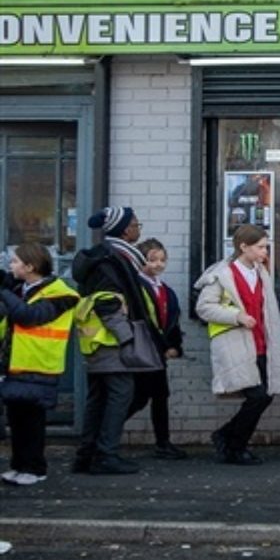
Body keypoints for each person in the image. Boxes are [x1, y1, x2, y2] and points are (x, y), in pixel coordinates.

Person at [73, 205, 163, 476]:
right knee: (119, 397)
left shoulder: (103, 258)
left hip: (98, 345)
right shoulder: (114, 262)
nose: (138, 229)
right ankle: (106, 455)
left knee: (98, 399)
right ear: (125, 230)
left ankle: (86, 456)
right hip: (112, 345)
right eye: (136, 225)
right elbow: (108, 305)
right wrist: (128, 340)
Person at [195, 224, 280, 466]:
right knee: (257, 396)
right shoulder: (223, 274)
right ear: (243, 247)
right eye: (260, 247)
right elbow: (204, 307)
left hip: (260, 342)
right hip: (237, 344)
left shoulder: (260, 271)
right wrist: (236, 316)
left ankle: (228, 438)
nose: (265, 252)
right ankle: (234, 444)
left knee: (265, 395)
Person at [1, 242, 80, 485]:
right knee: (17, 419)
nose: (10, 265)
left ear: (30, 266)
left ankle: (35, 468)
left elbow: (30, 316)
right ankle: (19, 465)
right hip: (16, 364)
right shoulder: (19, 289)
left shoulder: (62, 294)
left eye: (15, 261)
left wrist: (3, 291)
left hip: (39, 364)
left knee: (32, 421)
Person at [125, 238, 187, 460]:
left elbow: (172, 322)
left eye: (162, 260)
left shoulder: (165, 290)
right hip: (144, 349)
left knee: (157, 395)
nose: (158, 264)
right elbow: (144, 320)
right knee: (141, 396)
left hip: (159, 352)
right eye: (152, 260)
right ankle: (104, 433)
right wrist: (164, 346)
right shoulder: (136, 287)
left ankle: (163, 441)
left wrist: (175, 346)